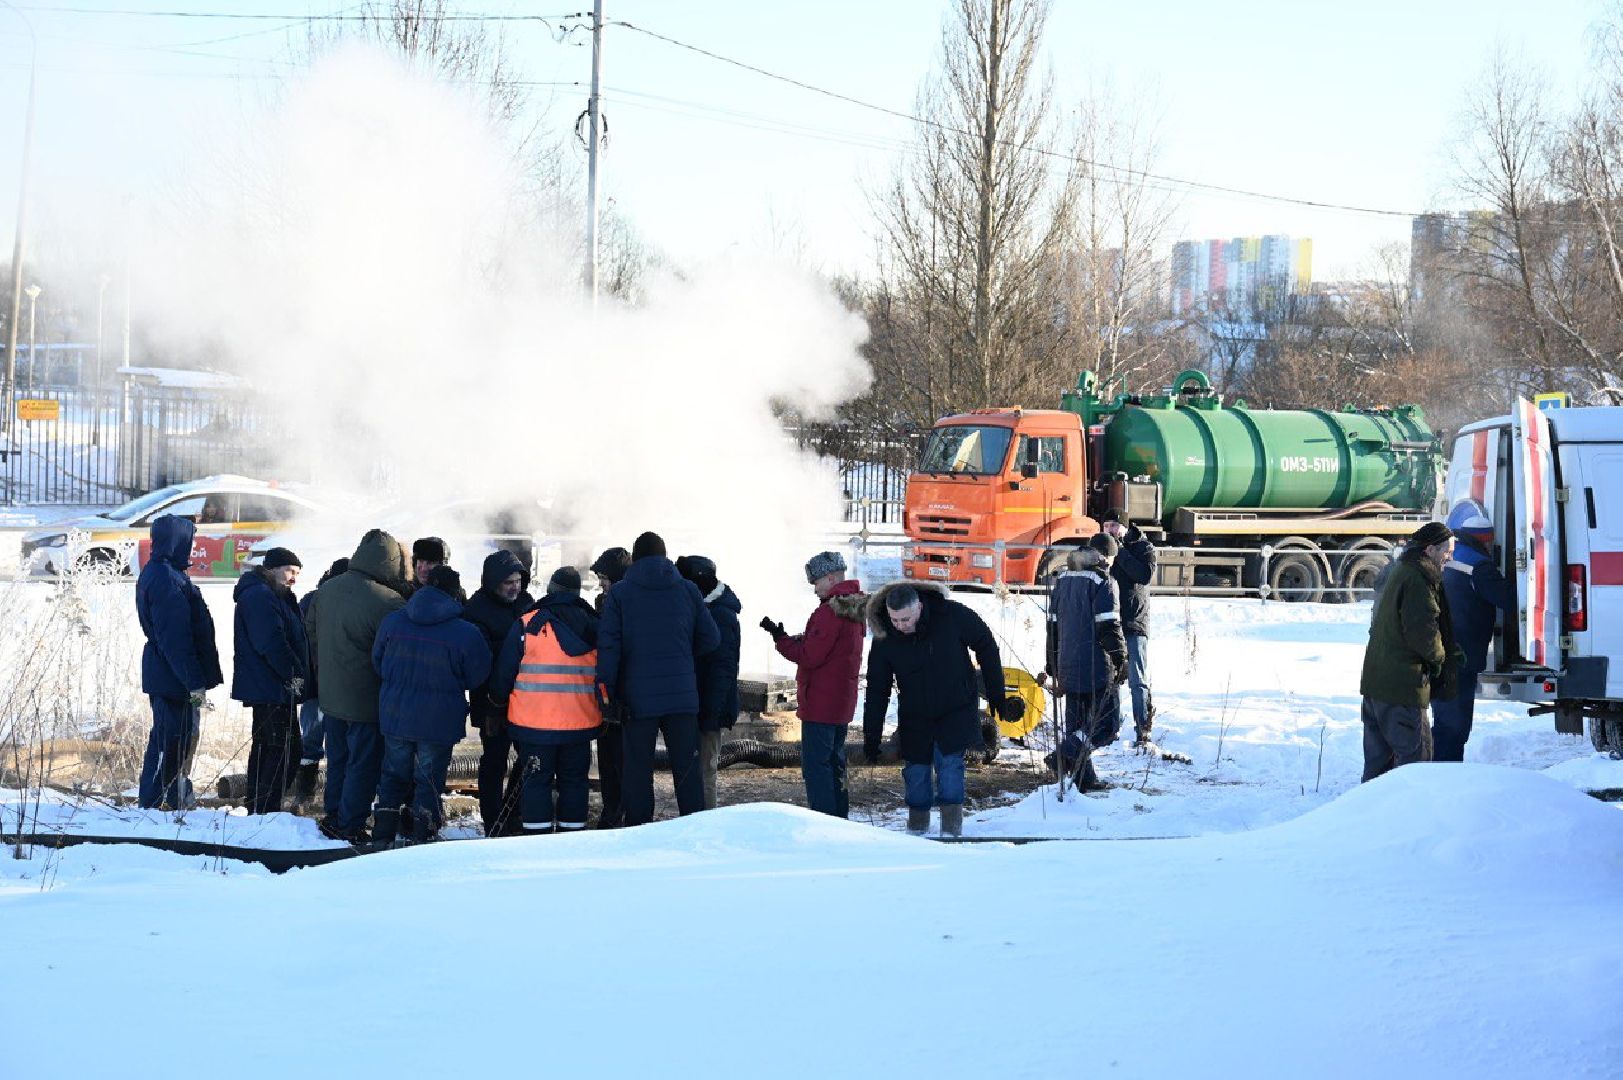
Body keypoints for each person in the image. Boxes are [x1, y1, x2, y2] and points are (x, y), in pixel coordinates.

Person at [862, 582, 1021, 837]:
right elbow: (877, 689)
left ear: (920, 608)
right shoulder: (885, 638)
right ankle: (917, 830)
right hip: (915, 714)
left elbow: (986, 644)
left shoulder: (951, 615)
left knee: (950, 769)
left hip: (956, 707)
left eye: (905, 619)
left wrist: (996, 695)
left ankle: (951, 831)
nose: (900, 626)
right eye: (895, 620)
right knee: (916, 775)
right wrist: (872, 736)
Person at [596, 531, 720, 826]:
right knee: (687, 770)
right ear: (665, 556)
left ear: (635, 559)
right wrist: (683, 656)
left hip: (637, 700)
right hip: (682, 697)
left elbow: (609, 648)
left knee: (637, 769)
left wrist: (606, 695)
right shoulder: (688, 590)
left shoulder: (621, 594)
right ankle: (693, 827)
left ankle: (640, 829)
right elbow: (711, 638)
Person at [371, 566, 491, 846]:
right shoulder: (466, 632)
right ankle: (421, 838)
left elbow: (378, 662)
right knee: (428, 780)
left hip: (395, 715)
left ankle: (382, 836)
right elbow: (478, 675)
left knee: (392, 776)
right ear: (454, 593)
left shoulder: (393, 622)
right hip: (438, 721)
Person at [310, 528, 410, 843]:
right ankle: (351, 823)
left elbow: (310, 631)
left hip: (330, 695)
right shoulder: (388, 601)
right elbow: (393, 652)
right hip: (366, 700)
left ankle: (333, 814)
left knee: (337, 758)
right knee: (362, 763)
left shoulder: (327, 590)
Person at [490, 567, 602, 833]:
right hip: (580, 724)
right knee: (575, 781)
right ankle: (571, 836)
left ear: (550, 591)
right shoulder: (594, 626)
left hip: (534, 726)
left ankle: (536, 838)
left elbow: (504, 673)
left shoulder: (528, 624)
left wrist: (496, 703)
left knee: (536, 781)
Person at [761, 550, 866, 818]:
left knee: (817, 768)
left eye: (816, 582)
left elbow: (810, 656)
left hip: (821, 703)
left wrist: (781, 640)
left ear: (830, 578)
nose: (814, 588)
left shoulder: (830, 612)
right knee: (835, 764)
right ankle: (839, 818)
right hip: (841, 702)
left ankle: (824, 822)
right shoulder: (852, 606)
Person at [134, 514, 223, 810]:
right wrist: (194, 683)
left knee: (180, 739)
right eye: (188, 541)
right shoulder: (165, 578)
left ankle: (174, 798)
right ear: (177, 541)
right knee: (170, 741)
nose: (191, 546)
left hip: (172, 676)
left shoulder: (166, 573)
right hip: (173, 678)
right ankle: (157, 802)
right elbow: (175, 639)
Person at [1360, 521, 1459, 782]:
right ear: (1429, 550)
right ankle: (1409, 821)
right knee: (1416, 766)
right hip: (1402, 687)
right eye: (1446, 551)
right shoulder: (1419, 579)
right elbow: (1424, 632)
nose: (1450, 557)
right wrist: (1442, 658)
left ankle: (1367, 819)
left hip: (1377, 683)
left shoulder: (1401, 570)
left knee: (1377, 767)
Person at [1043, 536, 1128, 792]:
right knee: (1106, 724)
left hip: (1067, 663)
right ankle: (1064, 753)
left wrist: (1052, 665)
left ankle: (1083, 779)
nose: (1112, 563)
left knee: (1078, 725)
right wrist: (1120, 657)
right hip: (1097, 665)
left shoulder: (1063, 580)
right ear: (1103, 555)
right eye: (1112, 558)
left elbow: (1052, 627)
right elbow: (1108, 626)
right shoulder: (1103, 581)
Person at [232, 547, 312, 815]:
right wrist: (294, 674)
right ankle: (266, 809)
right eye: (289, 571)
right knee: (283, 750)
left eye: (297, 573)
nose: (293, 578)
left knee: (270, 748)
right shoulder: (260, 596)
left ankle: (259, 806)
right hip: (271, 686)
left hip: (272, 685)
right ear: (271, 569)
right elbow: (271, 641)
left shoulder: (273, 595)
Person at [463, 549, 535, 836]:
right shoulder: (476, 609)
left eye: (518, 581)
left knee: (528, 756)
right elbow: (477, 657)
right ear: (493, 582)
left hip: (525, 696)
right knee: (494, 759)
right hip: (491, 699)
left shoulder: (527, 604)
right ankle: (493, 818)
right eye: (508, 582)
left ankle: (512, 810)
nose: (515, 587)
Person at [1435, 499, 1512, 762]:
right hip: (1462, 655)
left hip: (1445, 649)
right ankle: (1445, 773)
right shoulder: (1480, 567)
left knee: (1445, 719)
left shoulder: (1453, 556)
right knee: (1455, 725)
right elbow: (1508, 599)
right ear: (1485, 540)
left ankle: (1441, 769)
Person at [678, 555, 742, 810]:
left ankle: (704, 820)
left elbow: (722, 669)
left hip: (708, 708)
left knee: (705, 771)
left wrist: (710, 714)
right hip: (699, 703)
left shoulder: (720, 615)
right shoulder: (706, 609)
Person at [1099, 510, 1157, 747]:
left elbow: (1144, 575)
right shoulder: (1101, 549)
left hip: (1134, 622)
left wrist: (1120, 552)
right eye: (1106, 526)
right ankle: (1109, 729)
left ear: (1124, 527)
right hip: (1110, 624)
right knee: (1109, 679)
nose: (1110, 530)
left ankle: (1143, 730)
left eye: (1114, 526)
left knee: (1137, 680)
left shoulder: (1142, 547)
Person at [291, 557, 347, 802]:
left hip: (316, 681)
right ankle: (311, 792)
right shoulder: (320, 601)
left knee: (312, 737)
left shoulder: (310, 600)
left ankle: (305, 793)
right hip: (329, 681)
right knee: (332, 739)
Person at [589, 546, 633, 827]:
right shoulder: (603, 603)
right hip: (609, 691)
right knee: (608, 759)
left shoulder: (623, 603)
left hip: (622, 692)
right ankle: (612, 810)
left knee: (620, 760)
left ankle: (618, 813)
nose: (600, 584)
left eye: (605, 578)